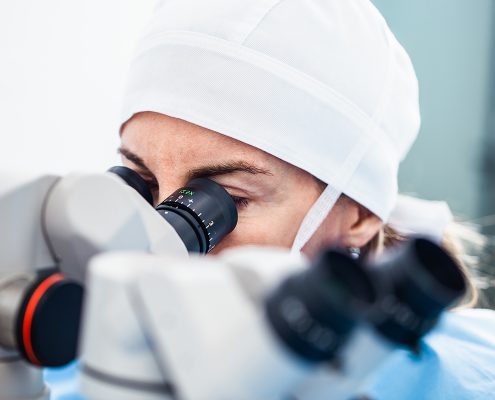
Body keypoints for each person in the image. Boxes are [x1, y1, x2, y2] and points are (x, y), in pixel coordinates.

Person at [46, 0, 495, 398]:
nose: (159, 239)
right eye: (141, 183)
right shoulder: (59, 364)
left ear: (358, 213)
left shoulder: (468, 379)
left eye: (219, 202)